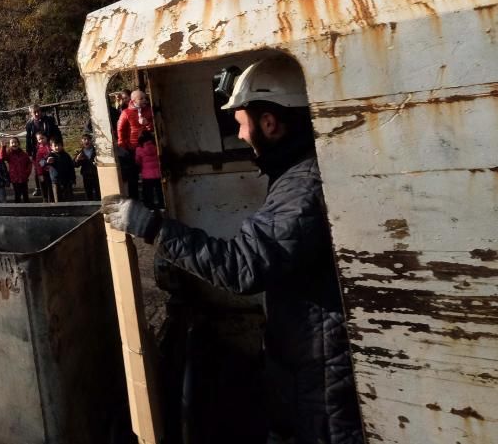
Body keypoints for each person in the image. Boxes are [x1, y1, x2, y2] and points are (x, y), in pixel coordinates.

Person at [104, 56, 362, 444]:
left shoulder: (302, 188)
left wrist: (151, 226)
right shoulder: (300, 174)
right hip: (307, 362)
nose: (240, 135)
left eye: (241, 123)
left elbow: (242, 266)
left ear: (270, 123)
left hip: (320, 377)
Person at [117, 89, 155, 200]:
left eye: (145, 98)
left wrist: (147, 124)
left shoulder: (149, 111)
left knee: (149, 174)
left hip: (147, 147)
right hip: (132, 148)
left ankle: (150, 199)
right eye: (141, 98)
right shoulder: (126, 113)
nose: (144, 100)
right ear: (133, 100)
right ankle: (134, 199)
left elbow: (155, 126)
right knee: (132, 176)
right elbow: (120, 130)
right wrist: (123, 145)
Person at [25, 104, 62, 196]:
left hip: (49, 147)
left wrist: (59, 144)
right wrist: (29, 152)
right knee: (39, 169)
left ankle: (56, 185)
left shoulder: (49, 120)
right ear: (31, 113)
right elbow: (28, 138)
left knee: (53, 165)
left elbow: (56, 132)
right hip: (37, 150)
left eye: (38, 111)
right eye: (34, 112)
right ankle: (40, 188)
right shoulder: (29, 124)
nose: (37, 113)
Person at [134, 130, 163, 209]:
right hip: (158, 173)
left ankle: (150, 205)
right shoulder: (156, 145)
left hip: (147, 175)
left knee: (148, 192)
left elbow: (138, 161)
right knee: (160, 190)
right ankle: (162, 204)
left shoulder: (139, 149)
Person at [0, 137, 32, 203]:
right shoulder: (9, 154)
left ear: (19, 144)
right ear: (10, 145)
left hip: (24, 178)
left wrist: (27, 173)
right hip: (15, 179)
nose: (14, 144)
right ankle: (18, 210)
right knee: (17, 195)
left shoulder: (24, 154)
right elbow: (2, 158)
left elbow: (29, 163)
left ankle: (29, 209)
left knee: (25, 195)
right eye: (12, 143)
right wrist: (3, 147)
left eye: (16, 142)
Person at [46, 138, 75, 203]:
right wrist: (47, 162)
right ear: (51, 147)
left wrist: (73, 179)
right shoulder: (50, 155)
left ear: (62, 145)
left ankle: (69, 212)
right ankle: (59, 212)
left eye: (59, 145)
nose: (57, 147)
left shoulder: (66, 155)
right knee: (58, 199)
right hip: (56, 181)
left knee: (68, 198)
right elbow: (42, 163)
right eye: (55, 146)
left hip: (66, 180)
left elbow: (71, 167)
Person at [74, 133, 100, 201]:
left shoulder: (97, 151)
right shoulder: (80, 152)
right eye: (84, 139)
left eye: (88, 139)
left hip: (96, 175)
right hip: (86, 175)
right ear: (82, 141)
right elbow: (75, 165)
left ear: (91, 141)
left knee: (98, 192)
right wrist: (77, 159)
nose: (86, 141)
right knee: (88, 193)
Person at [33, 132, 53, 203]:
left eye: (42, 138)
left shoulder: (51, 146)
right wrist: (40, 174)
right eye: (39, 139)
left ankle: (51, 201)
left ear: (46, 137)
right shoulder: (38, 150)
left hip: (52, 171)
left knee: (51, 188)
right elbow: (38, 164)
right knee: (44, 188)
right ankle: (45, 201)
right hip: (43, 172)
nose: (41, 140)